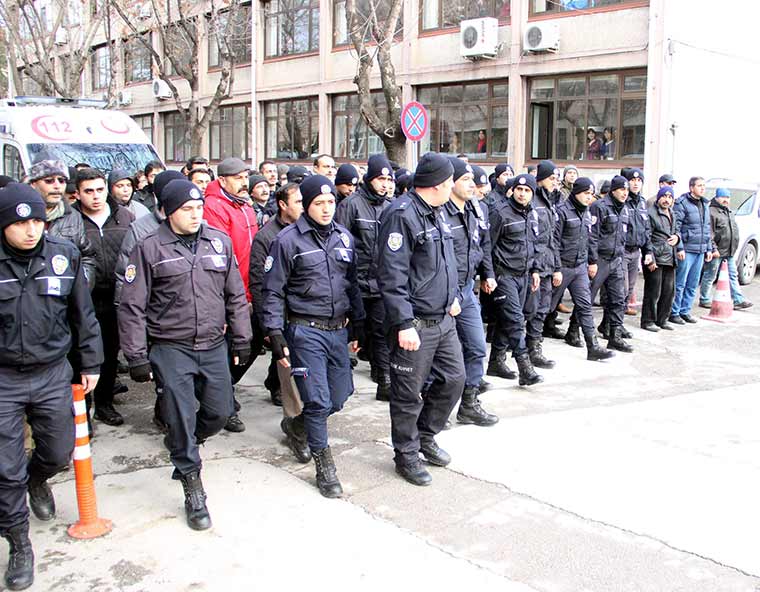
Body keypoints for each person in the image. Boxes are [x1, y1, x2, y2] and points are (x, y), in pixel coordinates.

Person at [118, 179, 252, 530]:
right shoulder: (149, 248)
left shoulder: (218, 242)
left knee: (220, 413)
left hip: (212, 345)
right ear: (168, 212)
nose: (195, 215)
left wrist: (242, 337)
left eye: (198, 208)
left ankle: (189, 442)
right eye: (187, 210)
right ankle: (192, 482)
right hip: (170, 347)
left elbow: (235, 296)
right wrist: (135, 355)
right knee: (179, 416)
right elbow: (132, 306)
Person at [0, 183, 102, 591]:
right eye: (21, 222)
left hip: (51, 372)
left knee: (58, 452)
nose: (31, 230)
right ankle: (19, 542)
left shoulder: (63, 255)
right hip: (4, 377)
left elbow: (83, 313)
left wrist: (91, 361)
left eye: (38, 220)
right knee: (4, 468)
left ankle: (37, 478)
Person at [263, 175, 365, 498]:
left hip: (338, 330)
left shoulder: (345, 238)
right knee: (318, 399)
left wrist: (358, 324)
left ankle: (297, 426)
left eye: (330, 203)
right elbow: (272, 292)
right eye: (319, 204)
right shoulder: (287, 241)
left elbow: (352, 284)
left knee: (340, 395)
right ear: (306, 206)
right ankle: (324, 464)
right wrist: (274, 332)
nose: (326, 209)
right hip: (305, 330)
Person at [376, 153, 465, 486]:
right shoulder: (402, 215)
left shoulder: (439, 213)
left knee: (455, 379)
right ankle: (406, 455)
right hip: (415, 326)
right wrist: (403, 323)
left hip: (443, 320)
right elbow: (391, 275)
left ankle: (425, 436)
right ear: (440, 184)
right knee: (407, 395)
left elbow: (445, 263)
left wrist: (452, 295)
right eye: (451, 182)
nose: (453, 186)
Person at [113, 170, 184, 432]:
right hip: (155, 315)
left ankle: (172, 412)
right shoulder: (141, 229)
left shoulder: (194, 223)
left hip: (185, 314)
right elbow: (124, 276)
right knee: (166, 377)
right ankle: (167, 416)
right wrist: (132, 331)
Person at [249, 183, 308, 458]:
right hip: (282, 318)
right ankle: (296, 428)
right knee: (292, 378)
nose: (303, 206)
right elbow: (261, 284)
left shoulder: (310, 232)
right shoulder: (266, 237)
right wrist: (268, 327)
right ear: (283, 204)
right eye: (298, 201)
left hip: (308, 317)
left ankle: (301, 420)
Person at [73, 168, 134, 427]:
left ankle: (105, 403)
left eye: (100, 189)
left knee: (110, 352)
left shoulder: (125, 216)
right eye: (89, 191)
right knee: (82, 355)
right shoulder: (71, 220)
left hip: (116, 296)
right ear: (77, 193)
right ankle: (82, 408)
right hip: (83, 297)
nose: (96, 196)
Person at [440, 157, 498, 426]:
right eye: (466, 180)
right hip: (442, 295)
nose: (472, 185)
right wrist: (446, 295)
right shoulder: (439, 212)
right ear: (451, 182)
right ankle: (435, 408)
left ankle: (470, 403)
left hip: (466, 289)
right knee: (439, 356)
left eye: (474, 181)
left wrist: (488, 274)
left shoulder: (475, 209)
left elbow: (482, 245)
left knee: (476, 346)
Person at [203, 158, 258, 433]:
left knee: (249, 345)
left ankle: (221, 392)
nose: (244, 182)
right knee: (227, 351)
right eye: (237, 177)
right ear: (222, 180)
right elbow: (224, 256)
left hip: (249, 288)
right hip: (229, 291)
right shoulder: (213, 207)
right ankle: (223, 403)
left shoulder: (245, 206)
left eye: (245, 176)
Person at [335, 154, 394, 401]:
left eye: (388, 179)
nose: (385, 184)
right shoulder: (351, 205)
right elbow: (339, 243)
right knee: (347, 332)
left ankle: (385, 381)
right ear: (369, 178)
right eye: (380, 178)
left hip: (380, 284)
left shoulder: (391, 206)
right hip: (355, 284)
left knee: (381, 332)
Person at [488, 174, 544, 386]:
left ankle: (496, 361)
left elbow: (534, 244)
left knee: (508, 320)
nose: (522, 194)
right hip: (504, 274)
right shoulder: (500, 213)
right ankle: (524, 366)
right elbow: (488, 246)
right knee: (515, 320)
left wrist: (535, 270)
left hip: (525, 274)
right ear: (513, 191)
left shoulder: (532, 213)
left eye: (527, 191)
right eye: (519, 190)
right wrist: (489, 275)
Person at [551, 178, 615, 361]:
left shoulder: (587, 213)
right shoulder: (562, 212)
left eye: (591, 194)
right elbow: (554, 242)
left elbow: (589, 239)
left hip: (579, 267)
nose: (589, 197)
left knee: (585, 306)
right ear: (576, 192)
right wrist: (556, 268)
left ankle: (593, 347)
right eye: (586, 193)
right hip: (562, 266)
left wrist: (590, 261)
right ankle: (531, 345)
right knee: (545, 307)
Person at [27, 160, 96, 289]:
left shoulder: (72, 216)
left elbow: (86, 256)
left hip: (63, 297)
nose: (57, 186)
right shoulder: (20, 215)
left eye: (62, 180)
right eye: (49, 181)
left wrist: (81, 287)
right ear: (33, 184)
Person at [587, 175, 633, 352]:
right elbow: (592, 236)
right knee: (587, 298)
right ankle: (574, 330)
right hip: (600, 259)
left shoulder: (625, 208)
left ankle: (615, 335)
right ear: (613, 190)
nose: (624, 193)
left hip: (617, 259)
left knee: (618, 299)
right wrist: (592, 261)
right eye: (622, 189)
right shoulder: (600, 207)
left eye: (627, 190)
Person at [525, 160, 561, 369]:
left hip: (548, 264)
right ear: (541, 180)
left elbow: (552, 239)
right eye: (552, 178)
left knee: (542, 309)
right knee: (529, 309)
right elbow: (533, 238)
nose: (555, 182)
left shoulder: (550, 202)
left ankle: (535, 348)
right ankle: (523, 349)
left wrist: (556, 266)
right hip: (534, 266)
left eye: (557, 179)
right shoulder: (534, 202)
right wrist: (535, 268)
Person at [670, 176, 715, 325]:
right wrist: (680, 247)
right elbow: (676, 227)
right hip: (687, 249)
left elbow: (707, 228)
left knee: (693, 283)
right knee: (680, 283)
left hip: (700, 250)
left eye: (704, 186)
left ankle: (685, 311)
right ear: (691, 188)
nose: (702, 188)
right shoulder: (682, 203)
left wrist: (708, 248)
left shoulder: (705, 204)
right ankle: (674, 312)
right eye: (699, 185)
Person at [699, 188, 753, 310]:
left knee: (733, 275)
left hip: (729, 251)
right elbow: (709, 233)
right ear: (717, 197)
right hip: (717, 252)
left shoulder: (729, 211)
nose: (726, 200)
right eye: (723, 197)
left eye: (728, 197)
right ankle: (704, 298)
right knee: (710, 275)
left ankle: (738, 299)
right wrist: (713, 249)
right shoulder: (711, 212)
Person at [641, 186, 679, 331]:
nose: (666, 200)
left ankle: (663, 319)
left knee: (668, 291)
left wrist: (678, 238)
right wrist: (650, 258)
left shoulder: (672, 214)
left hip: (670, 257)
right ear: (658, 198)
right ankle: (648, 321)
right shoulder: (651, 214)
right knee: (653, 292)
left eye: (670, 197)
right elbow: (647, 237)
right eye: (664, 196)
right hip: (656, 257)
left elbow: (675, 231)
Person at [622, 168, 654, 316]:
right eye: (633, 180)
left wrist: (648, 251)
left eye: (639, 181)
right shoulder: (622, 199)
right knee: (621, 288)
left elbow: (646, 229)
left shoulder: (642, 202)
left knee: (629, 290)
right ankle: (611, 324)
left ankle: (617, 323)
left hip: (636, 252)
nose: (636, 184)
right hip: (622, 250)